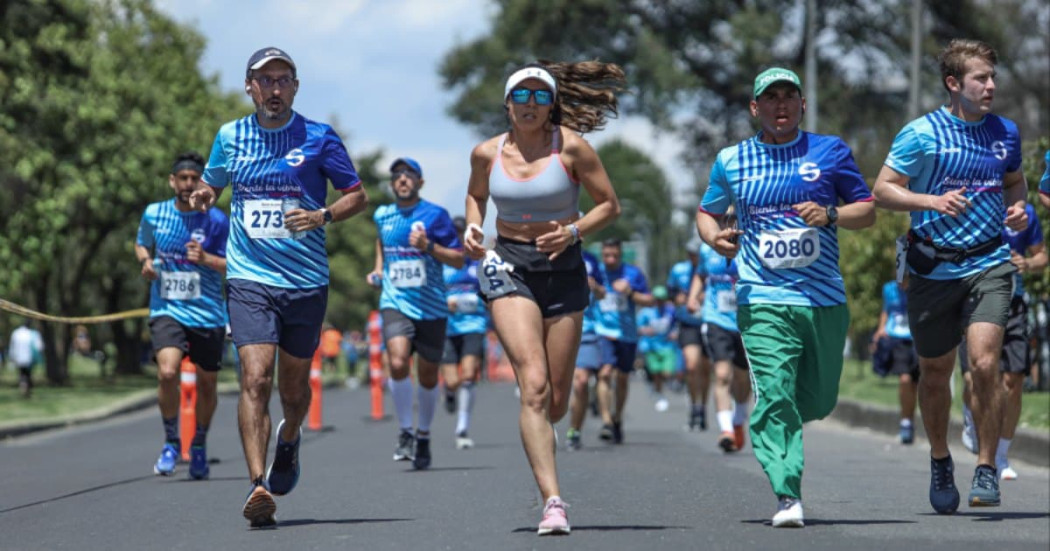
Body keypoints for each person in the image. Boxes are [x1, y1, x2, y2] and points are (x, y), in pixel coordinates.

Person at [190, 46, 368, 527]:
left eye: (282, 79)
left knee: (293, 387)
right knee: (255, 376)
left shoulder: (319, 137)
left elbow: (357, 195)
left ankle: (289, 439)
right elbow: (213, 183)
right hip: (249, 278)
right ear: (249, 86)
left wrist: (322, 215)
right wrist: (207, 193)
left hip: (306, 280)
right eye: (264, 80)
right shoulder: (230, 136)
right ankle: (257, 485)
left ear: (295, 86)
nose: (273, 88)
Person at [697, 67, 875, 527]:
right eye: (770, 98)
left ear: (802, 104)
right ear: (755, 108)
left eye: (788, 96)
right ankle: (787, 493)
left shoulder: (830, 151)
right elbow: (706, 213)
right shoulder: (732, 160)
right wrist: (716, 239)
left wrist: (831, 213)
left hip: (822, 299)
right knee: (774, 395)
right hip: (761, 296)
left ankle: (794, 435)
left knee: (816, 401)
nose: (780, 105)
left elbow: (867, 211)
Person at [463, 61, 623, 535]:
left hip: (564, 266)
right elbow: (476, 198)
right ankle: (553, 501)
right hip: (509, 265)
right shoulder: (486, 153)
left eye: (539, 97)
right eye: (521, 96)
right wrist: (474, 227)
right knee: (533, 385)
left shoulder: (572, 147)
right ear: (507, 104)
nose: (530, 105)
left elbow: (609, 206)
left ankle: (546, 422)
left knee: (555, 399)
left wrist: (573, 230)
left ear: (551, 104)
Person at [873, 39, 1028, 513]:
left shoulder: (1005, 132)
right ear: (953, 83)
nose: (991, 86)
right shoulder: (921, 134)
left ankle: (986, 465)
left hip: (990, 263)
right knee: (936, 371)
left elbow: (1013, 180)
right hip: (933, 269)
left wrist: (1017, 208)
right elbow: (882, 190)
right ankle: (941, 457)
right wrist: (931, 202)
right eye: (981, 78)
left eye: (993, 77)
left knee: (985, 363)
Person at [136, 151, 230, 480]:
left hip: (206, 313)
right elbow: (141, 244)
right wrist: (146, 261)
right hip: (167, 309)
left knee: (206, 384)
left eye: (195, 178)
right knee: (167, 372)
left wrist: (207, 259)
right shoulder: (154, 214)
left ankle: (200, 442)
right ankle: (172, 441)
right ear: (172, 181)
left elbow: (234, 265)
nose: (189, 184)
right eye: (183, 178)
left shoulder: (216, 220)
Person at [367, 157, 464, 470]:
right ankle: (406, 430)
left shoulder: (435, 215)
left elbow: (459, 260)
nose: (403, 179)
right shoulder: (383, 214)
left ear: (420, 182)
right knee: (396, 360)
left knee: (427, 374)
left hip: (432, 304)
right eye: (397, 175)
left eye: (409, 174)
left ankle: (423, 434)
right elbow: (381, 241)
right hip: (395, 300)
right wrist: (379, 269)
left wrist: (429, 246)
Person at [957, 203, 1044, 480]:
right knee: (974, 379)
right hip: (974, 300)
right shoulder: (971, 203)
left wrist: (1028, 263)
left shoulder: (1026, 213)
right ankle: (971, 419)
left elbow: (1041, 256)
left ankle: (1001, 456)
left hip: (1014, 303)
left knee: (1013, 381)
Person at [688, 227, 752, 453]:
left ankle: (738, 421)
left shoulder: (751, 244)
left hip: (746, 320)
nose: (729, 224)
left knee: (743, 379)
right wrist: (692, 297)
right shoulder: (709, 249)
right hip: (716, 320)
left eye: (734, 219)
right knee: (723, 374)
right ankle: (726, 430)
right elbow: (700, 274)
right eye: (725, 219)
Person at [595, 238, 656, 445]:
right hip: (603, 331)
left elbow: (649, 300)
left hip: (627, 334)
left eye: (614, 255)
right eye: (606, 255)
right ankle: (605, 422)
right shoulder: (596, 272)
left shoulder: (633, 273)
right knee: (604, 373)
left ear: (620, 255)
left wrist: (630, 292)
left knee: (622, 378)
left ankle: (617, 417)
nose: (610, 259)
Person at [440, 216, 487, 450]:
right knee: (452, 380)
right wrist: (445, 301)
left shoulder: (479, 264)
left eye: (462, 233)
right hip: (447, 327)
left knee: (468, 376)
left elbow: (491, 292)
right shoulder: (443, 262)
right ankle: (448, 392)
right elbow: (431, 292)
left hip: (473, 326)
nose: (458, 237)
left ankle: (462, 427)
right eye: (455, 233)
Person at [666, 239, 712, 429]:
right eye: (691, 254)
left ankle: (703, 406)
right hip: (688, 323)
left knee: (706, 369)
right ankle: (694, 405)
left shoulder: (712, 268)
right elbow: (670, 291)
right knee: (692, 366)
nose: (694, 258)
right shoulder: (678, 270)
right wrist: (677, 297)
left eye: (697, 254)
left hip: (710, 322)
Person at [870, 279, 920, 445]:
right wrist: (880, 329)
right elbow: (886, 310)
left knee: (916, 384)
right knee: (904, 379)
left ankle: (911, 421)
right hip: (897, 339)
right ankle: (905, 422)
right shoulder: (888, 288)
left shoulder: (919, 286)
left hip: (917, 339)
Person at [566, 250, 606, 449]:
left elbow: (603, 292)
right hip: (552, 326)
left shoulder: (590, 260)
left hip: (585, 329)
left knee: (581, 382)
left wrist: (596, 287)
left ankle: (575, 430)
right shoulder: (543, 253)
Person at [636, 286, 677, 412]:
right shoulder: (646, 312)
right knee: (656, 373)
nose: (659, 302)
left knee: (667, 373)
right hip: (651, 347)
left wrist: (675, 333)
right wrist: (645, 330)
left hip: (667, 346)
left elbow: (677, 324)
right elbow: (638, 328)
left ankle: (660, 387)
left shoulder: (671, 311)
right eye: (657, 299)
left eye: (662, 299)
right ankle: (659, 394)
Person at [8, 319, 43, 398]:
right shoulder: (33, 333)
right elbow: (39, 346)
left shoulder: (16, 333)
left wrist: (12, 357)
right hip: (29, 358)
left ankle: (23, 388)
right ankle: (27, 390)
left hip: (19, 358)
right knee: (28, 374)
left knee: (22, 374)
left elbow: (12, 346)